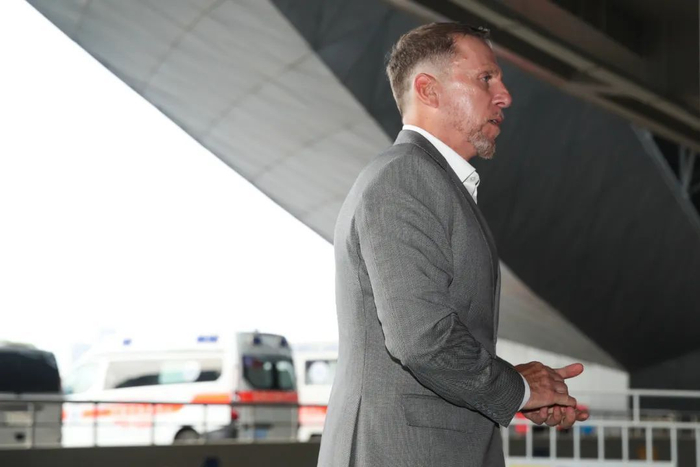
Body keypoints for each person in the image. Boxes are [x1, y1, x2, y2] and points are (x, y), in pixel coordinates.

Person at [317, 22, 588, 467]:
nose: (505, 96)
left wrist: (522, 389)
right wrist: (519, 390)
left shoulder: (431, 182)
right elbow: (422, 340)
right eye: (486, 78)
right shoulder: (406, 178)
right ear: (428, 90)